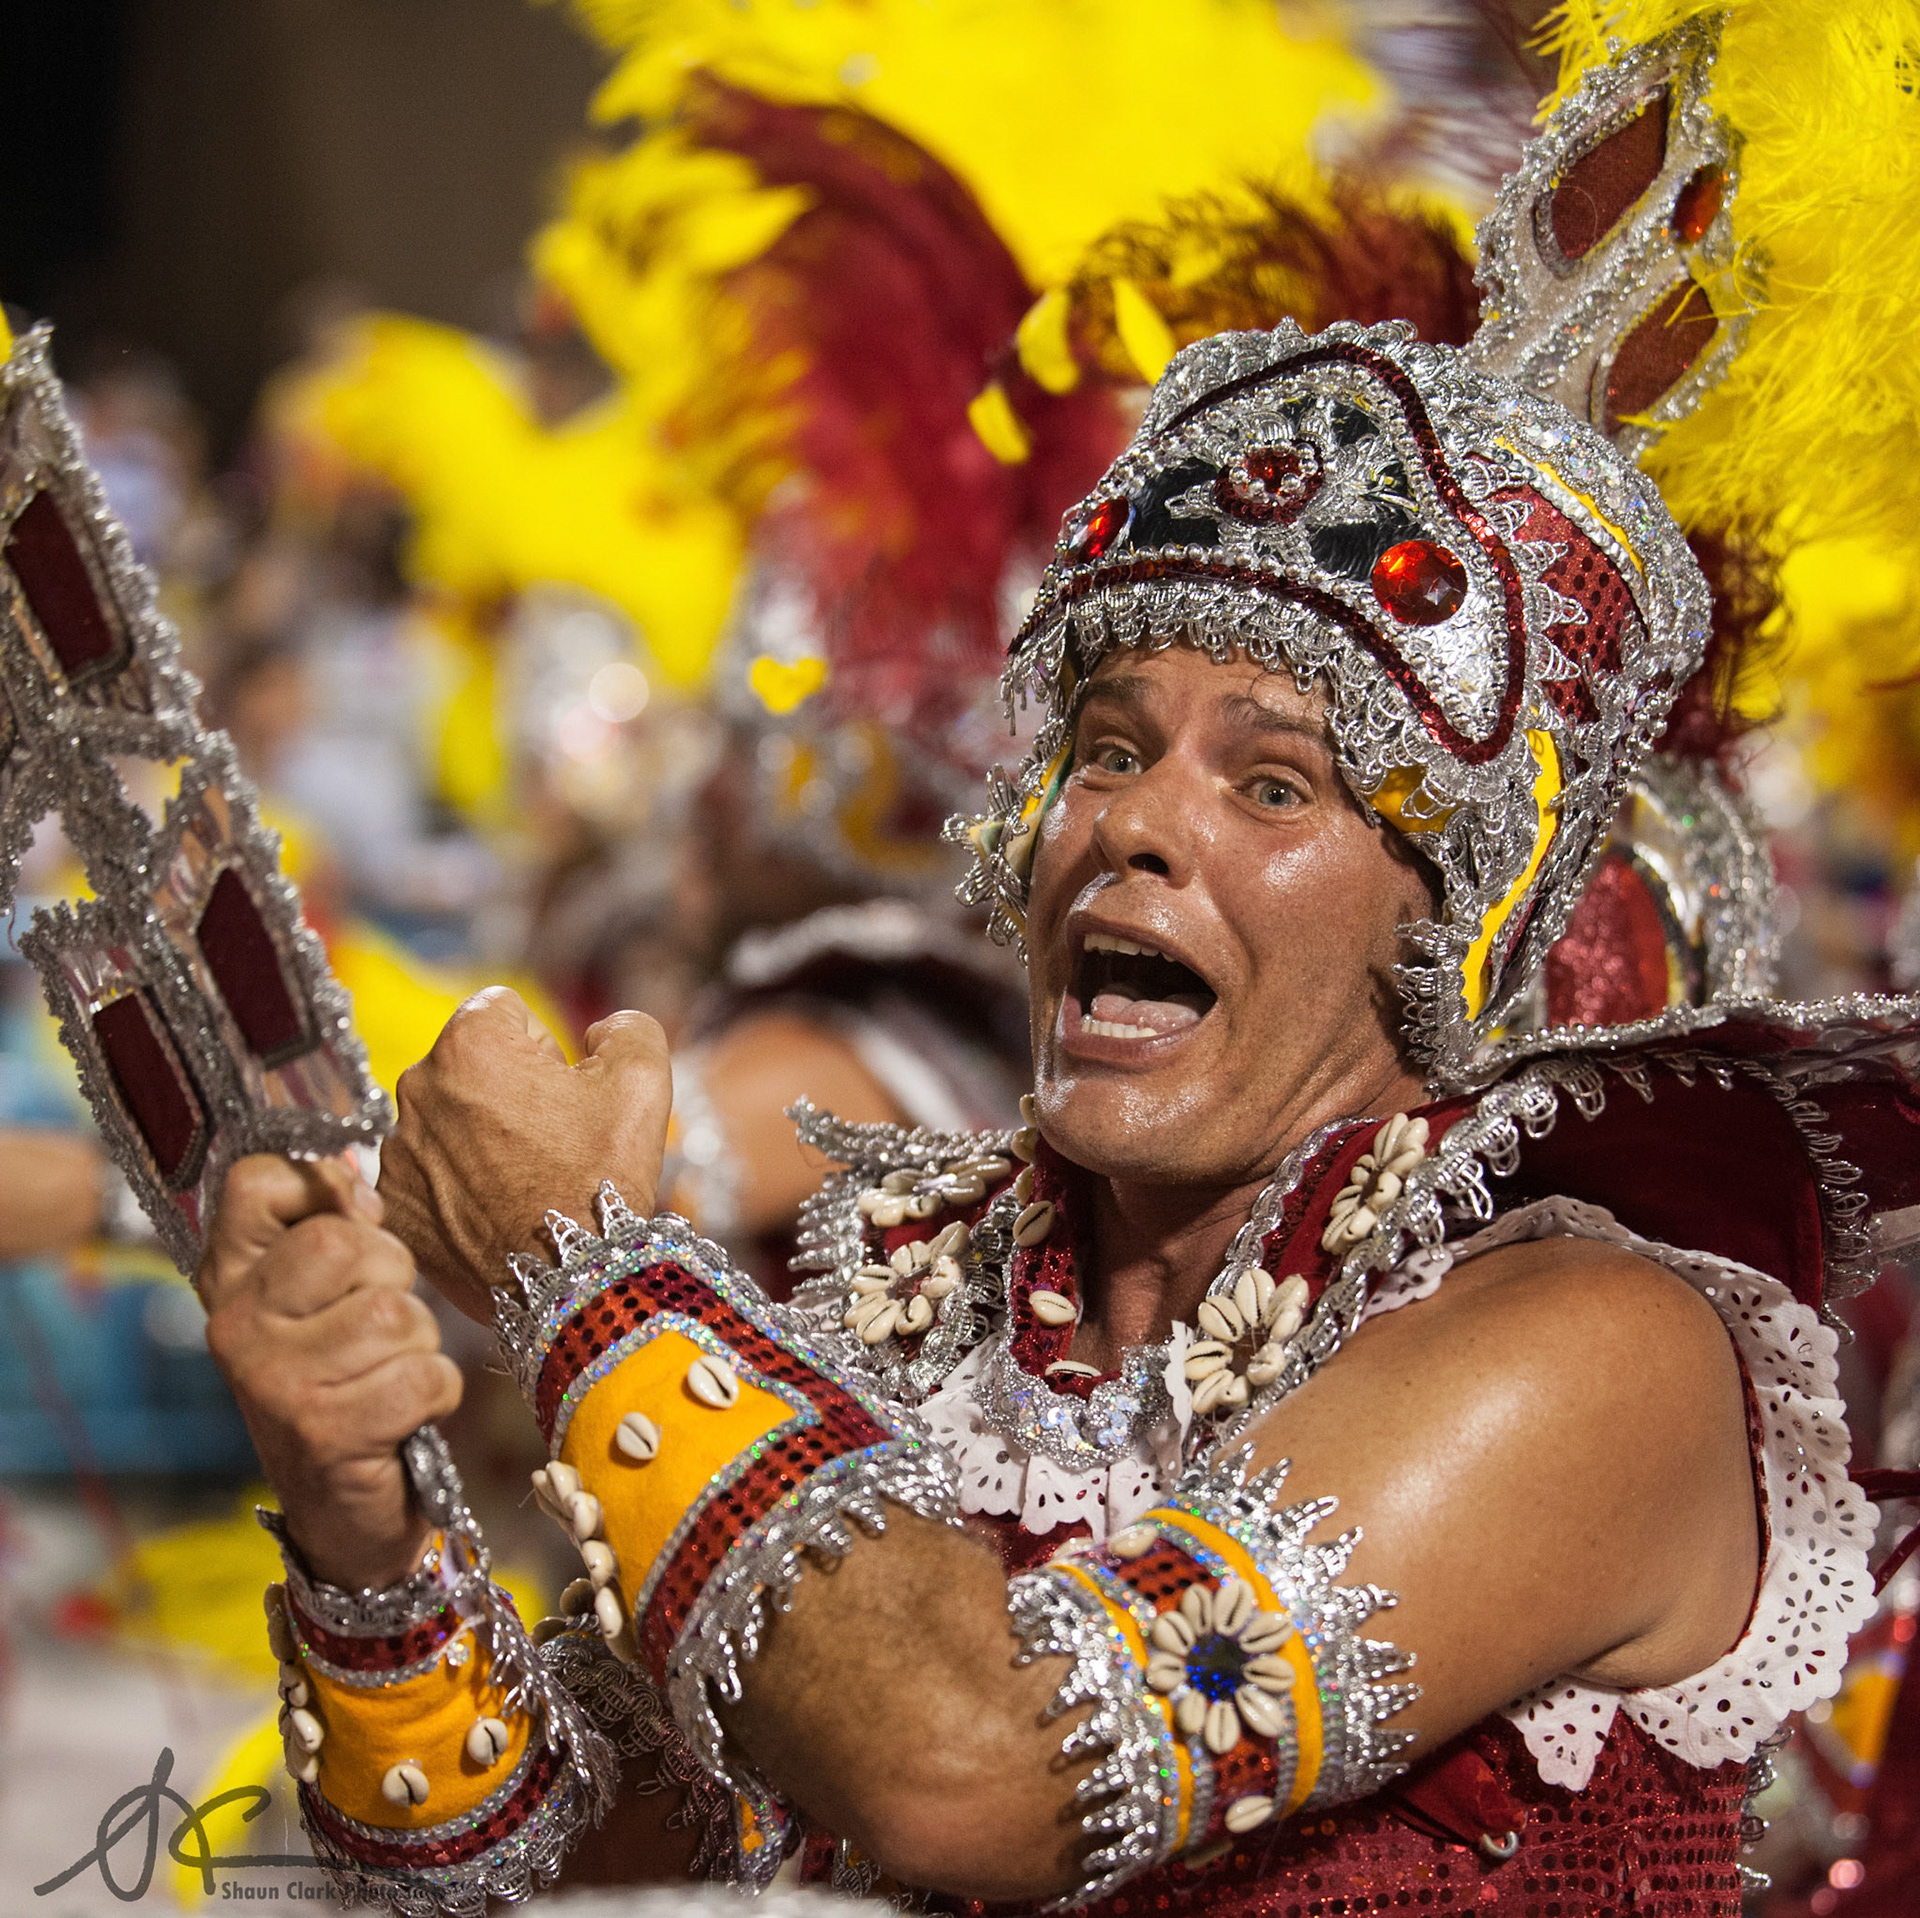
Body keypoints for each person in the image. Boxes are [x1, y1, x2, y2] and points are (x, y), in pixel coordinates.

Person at [198, 22, 1920, 1918]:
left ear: (1453, 911)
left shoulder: (1597, 1351)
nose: (1137, 821)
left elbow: (990, 1768)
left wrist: (582, 1274)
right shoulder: (918, 1298)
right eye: (1106, 745)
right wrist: (364, 1531)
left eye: (1276, 779)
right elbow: (540, 1869)